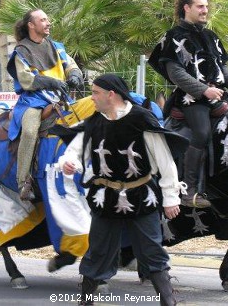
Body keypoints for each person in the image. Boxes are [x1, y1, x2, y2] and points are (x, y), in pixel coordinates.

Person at [58, 74, 187, 306]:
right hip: (105, 198)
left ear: (111, 94)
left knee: (152, 252)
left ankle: (168, 302)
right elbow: (75, 152)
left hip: (142, 196)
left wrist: (170, 197)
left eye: (96, 92)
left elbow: (165, 161)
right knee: (97, 252)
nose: (92, 97)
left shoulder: (141, 119)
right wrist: (69, 163)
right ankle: (85, 302)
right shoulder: (94, 122)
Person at [148, 0, 228, 208]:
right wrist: (203, 90)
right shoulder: (173, 37)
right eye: (200, 6)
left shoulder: (210, 36)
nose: (205, 10)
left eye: (206, 6)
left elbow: (222, 65)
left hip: (218, 94)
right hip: (191, 98)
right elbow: (176, 73)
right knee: (202, 132)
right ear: (186, 8)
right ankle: (189, 191)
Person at [6, 9, 84, 201]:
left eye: (48, 19)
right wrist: (51, 82)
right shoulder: (21, 51)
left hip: (61, 98)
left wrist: (74, 74)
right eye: (43, 20)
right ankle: (23, 181)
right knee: (31, 130)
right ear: (31, 25)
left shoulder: (57, 47)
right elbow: (26, 80)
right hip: (34, 100)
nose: (48, 23)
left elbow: (71, 65)